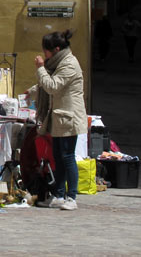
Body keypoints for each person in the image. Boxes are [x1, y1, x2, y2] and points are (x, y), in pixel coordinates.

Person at [27, 30, 86, 211]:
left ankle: (71, 197)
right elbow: (45, 86)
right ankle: (59, 195)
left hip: (69, 118)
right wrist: (31, 92)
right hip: (59, 117)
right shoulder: (58, 63)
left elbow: (52, 86)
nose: (44, 54)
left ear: (56, 49)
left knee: (68, 157)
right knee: (58, 158)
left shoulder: (69, 64)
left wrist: (40, 68)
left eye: (46, 50)